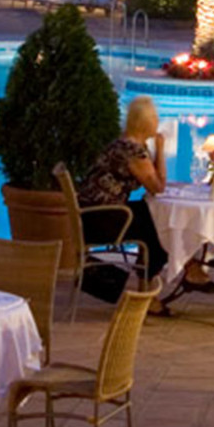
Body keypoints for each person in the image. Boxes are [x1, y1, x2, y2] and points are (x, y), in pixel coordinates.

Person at [74, 96, 172, 302]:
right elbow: (158, 187)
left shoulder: (120, 143)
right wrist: (161, 149)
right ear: (146, 122)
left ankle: (153, 284)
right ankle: (148, 292)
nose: (157, 122)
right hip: (102, 220)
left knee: (149, 213)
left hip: (90, 214)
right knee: (158, 225)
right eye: (155, 118)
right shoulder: (134, 152)